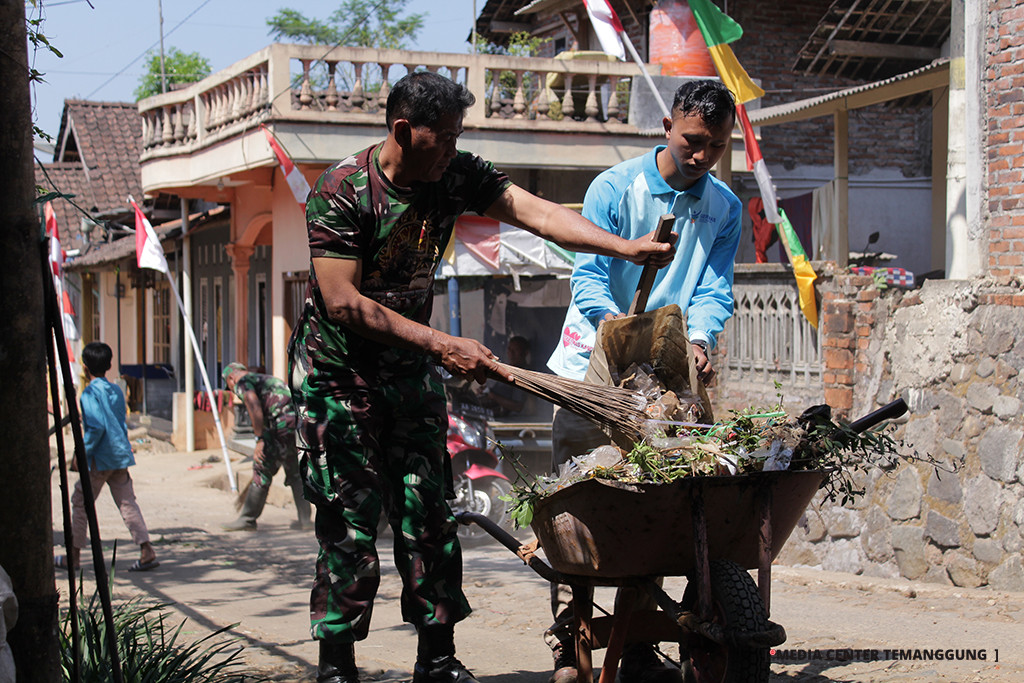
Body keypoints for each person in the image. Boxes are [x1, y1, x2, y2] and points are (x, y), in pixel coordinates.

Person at [287, 70, 675, 683]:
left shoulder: (456, 173)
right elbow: (341, 300)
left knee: (429, 516)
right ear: (402, 130)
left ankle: (437, 660)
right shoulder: (342, 190)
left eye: (456, 136)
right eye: (441, 137)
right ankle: (338, 667)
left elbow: (534, 212)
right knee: (349, 528)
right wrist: (441, 342)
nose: (451, 148)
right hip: (341, 383)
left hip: (410, 378)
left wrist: (620, 248)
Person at [544, 79, 742, 683]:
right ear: (666, 126)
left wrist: (702, 339)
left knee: (657, 511)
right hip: (590, 374)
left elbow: (712, 289)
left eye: (716, 145)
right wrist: (619, 332)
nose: (702, 156)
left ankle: (637, 642)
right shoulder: (613, 188)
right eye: (692, 141)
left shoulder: (725, 208)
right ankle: (572, 631)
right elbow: (588, 280)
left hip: (667, 384)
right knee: (582, 517)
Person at [56, 341, 158, 573]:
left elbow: (96, 428)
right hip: (120, 454)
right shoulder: (116, 390)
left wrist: (80, 455)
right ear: (109, 365)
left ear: (85, 367)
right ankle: (146, 549)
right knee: (127, 502)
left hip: (99, 458)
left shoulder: (90, 393)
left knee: (80, 502)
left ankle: (73, 555)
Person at [221, 362, 311, 532]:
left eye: (229, 386)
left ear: (231, 378)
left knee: (261, 469)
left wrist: (260, 439)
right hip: (297, 425)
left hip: (280, 426)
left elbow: (252, 403)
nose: (232, 390)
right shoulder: (265, 378)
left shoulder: (243, 382)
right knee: (294, 473)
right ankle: (305, 520)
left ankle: (247, 519)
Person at [477, 335, 531, 417]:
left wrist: (492, 396)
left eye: (515, 350)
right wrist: (485, 391)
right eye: (509, 349)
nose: (511, 353)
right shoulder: (506, 370)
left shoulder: (523, 375)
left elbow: (518, 407)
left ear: (525, 353)